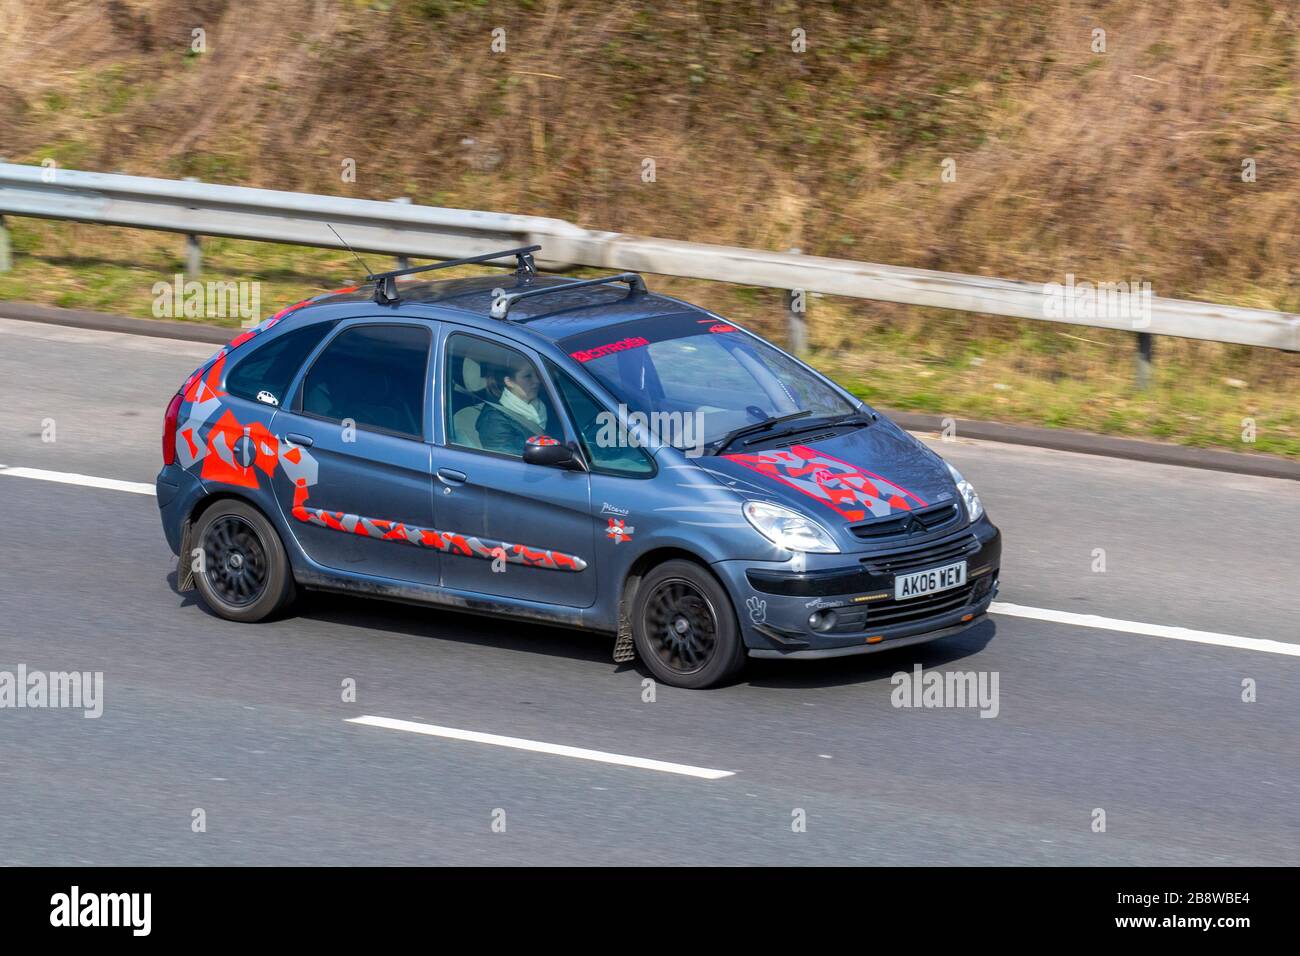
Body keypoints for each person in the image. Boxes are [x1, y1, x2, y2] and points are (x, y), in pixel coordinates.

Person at [476, 355, 552, 456]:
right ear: (509, 381)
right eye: (528, 376)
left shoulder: (549, 403)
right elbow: (507, 464)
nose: (537, 381)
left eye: (537, 375)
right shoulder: (494, 421)